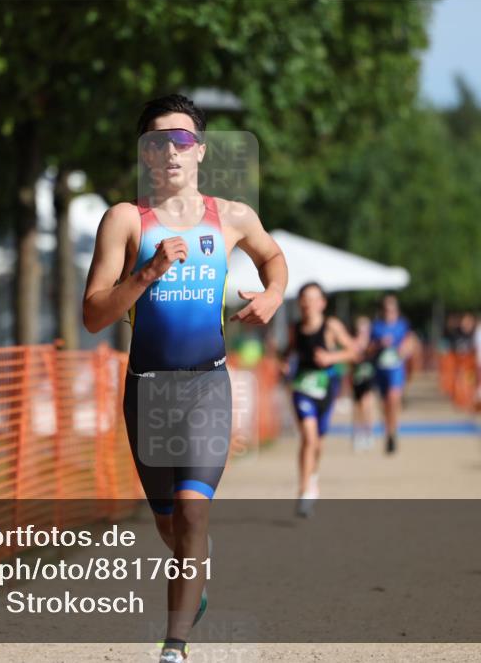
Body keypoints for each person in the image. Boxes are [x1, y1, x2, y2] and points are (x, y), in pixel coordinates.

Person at [82, 94, 287, 663]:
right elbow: (94, 315)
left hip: (207, 387)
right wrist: (147, 272)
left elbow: (273, 258)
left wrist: (272, 295)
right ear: (145, 154)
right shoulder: (126, 220)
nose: (170, 151)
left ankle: (174, 646)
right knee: (172, 527)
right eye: (157, 142)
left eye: (181, 140)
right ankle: (194, 567)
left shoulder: (233, 217)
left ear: (200, 150)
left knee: (194, 512)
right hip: (147, 390)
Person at [281, 282, 356, 517]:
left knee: (318, 443)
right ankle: (304, 491)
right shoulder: (295, 328)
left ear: (322, 303)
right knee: (309, 437)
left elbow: (353, 351)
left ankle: (313, 477)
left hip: (326, 386)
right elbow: (290, 351)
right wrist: (285, 362)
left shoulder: (331, 326)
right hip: (302, 386)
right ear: (299, 302)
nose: (308, 303)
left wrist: (331, 357)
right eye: (304, 298)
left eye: (314, 298)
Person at [368, 295, 413, 454]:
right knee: (384, 403)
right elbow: (368, 348)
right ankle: (388, 430)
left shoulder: (402, 325)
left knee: (393, 398)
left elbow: (410, 343)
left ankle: (393, 431)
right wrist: (379, 344)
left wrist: (404, 350)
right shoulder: (376, 326)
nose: (389, 312)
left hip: (396, 369)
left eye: (392, 309)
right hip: (380, 369)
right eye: (386, 309)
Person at [350, 315, 377, 452]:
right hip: (357, 379)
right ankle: (357, 433)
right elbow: (350, 361)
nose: (362, 333)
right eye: (360, 330)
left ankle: (368, 433)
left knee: (368, 405)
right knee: (358, 407)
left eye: (365, 330)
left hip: (369, 378)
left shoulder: (373, 343)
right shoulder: (353, 343)